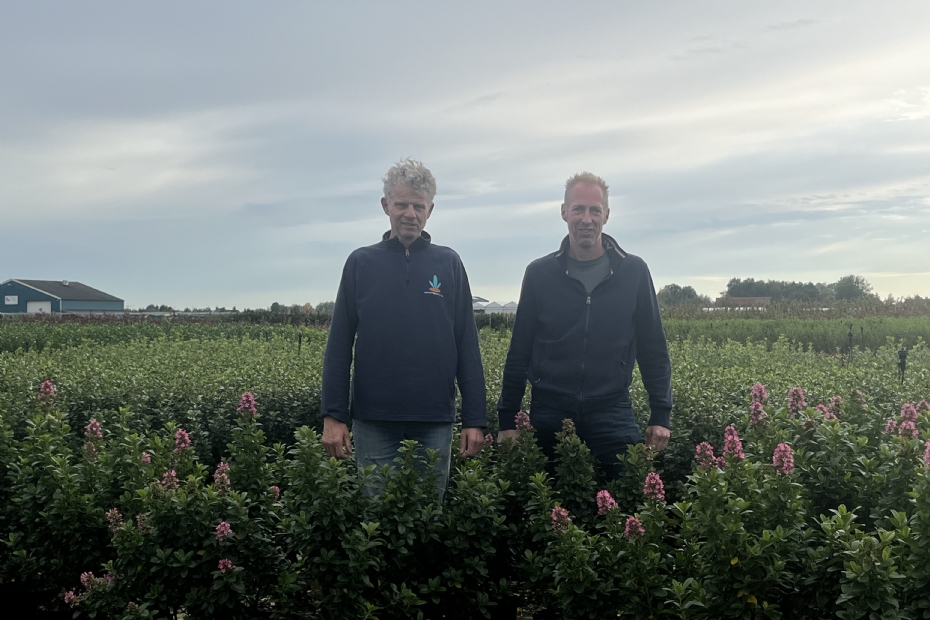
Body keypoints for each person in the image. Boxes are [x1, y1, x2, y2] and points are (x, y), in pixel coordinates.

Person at [321, 158, 486, 502]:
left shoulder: (449, 263)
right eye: (401, 204)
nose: (410, 213)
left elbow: (466, 345)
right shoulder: (360, 263)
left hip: (434, 421)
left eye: (418, 205)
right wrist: (333, 415)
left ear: (430, 210)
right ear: (386, 206)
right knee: (377, 522)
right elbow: (338, 346)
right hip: (374, 421)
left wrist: (474, 418)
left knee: (428, 520)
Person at [496, 172, 672, 479]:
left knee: (629, 496)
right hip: (549, 411)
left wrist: (661, 415)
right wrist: (507, 421)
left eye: (594, 210)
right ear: (564, 212)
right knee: (545, 504)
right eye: (578, 209)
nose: (586, 218)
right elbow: (519, 350)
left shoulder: (634, 271)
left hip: (612, 412)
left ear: (607, 214)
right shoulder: (539, 273)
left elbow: (652, 348)